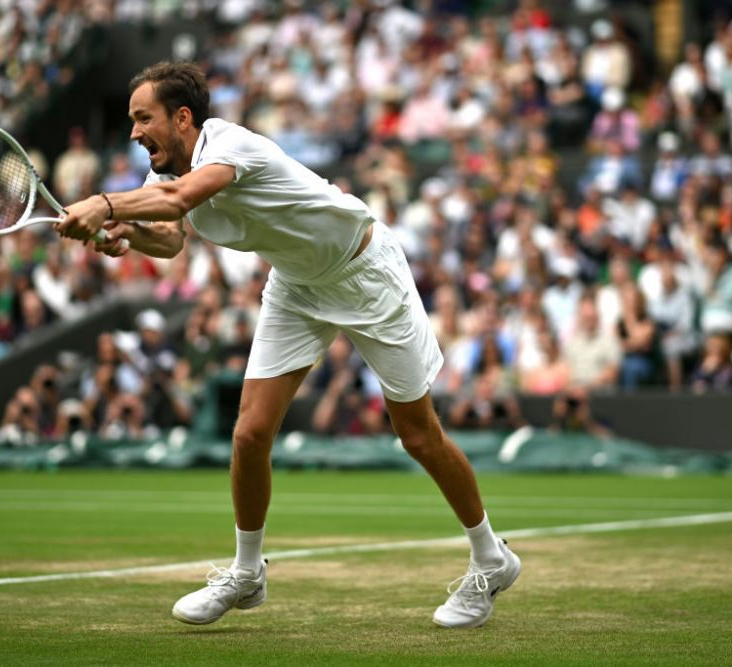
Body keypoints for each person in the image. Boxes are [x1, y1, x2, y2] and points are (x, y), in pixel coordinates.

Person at [55, 62, 520, 629]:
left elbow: (179, 201)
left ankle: (491, 558)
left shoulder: (230, 144)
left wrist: (104, 206)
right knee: (250, 433)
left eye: (142, 118)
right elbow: (171, 238)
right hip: (296, 286)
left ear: (182, 118)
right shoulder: (164, 175)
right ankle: (247, 573)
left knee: (418, 435)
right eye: (130, 121)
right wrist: (127, 235)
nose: (133, 133)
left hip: (365, 272)